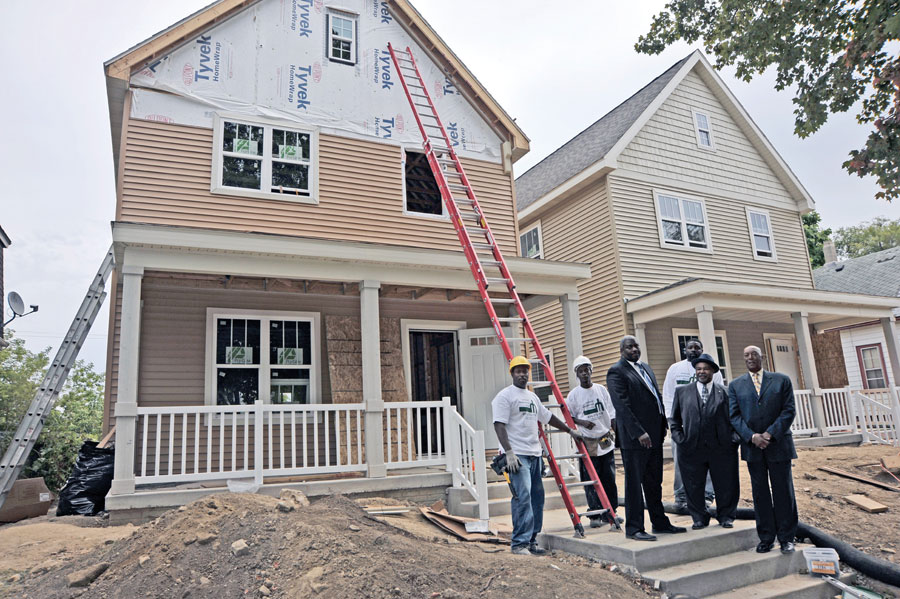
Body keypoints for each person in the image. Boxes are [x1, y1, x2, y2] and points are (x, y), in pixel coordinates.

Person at [493, 355, 584, 555]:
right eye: (518, 371)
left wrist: (570, 430)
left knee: (537, 498)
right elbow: (499, 424)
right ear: (512, 373)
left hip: (534, 455)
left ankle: (531, 541)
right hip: (517, 456)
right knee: (522, 497)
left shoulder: (532, 398)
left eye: (525, 371)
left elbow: (548, 417)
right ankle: (519, 544)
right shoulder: (505, 396)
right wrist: (508, 452)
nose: (522, 374)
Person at [606, 336, 686, 541]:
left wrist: (662, 424)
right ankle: (634, 528)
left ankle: (659, 522)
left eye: (636, 346)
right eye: (629, 347)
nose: (633, 349)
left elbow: (655, 397)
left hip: (654, 436)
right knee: (634, 485)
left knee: (654, 482)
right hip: (635, 440)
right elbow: (622, 406)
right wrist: (638, 432)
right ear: (621, 350)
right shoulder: (617, 371)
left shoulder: (646, 368)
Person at [728, 345, 798, 554]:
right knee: (760, 493)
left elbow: (789, 410)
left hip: (778, 445)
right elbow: (734, 416)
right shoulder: (736, 385)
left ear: (762, 357)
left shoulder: (781, 380)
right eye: (746, 355)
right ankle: (766, 538)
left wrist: (769, 434)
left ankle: (787, 538)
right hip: (753, 448)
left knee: (783, 491)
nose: (750, 358)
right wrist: (752, 437)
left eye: (754, 355)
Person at [668, 353, 739, 530]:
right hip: (692, 446)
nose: (702, 372)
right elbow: (674, 419)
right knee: (693, 484)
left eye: (706, 369)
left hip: (721, 447)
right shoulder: (682, 392)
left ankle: (726, 516)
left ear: (713, 371)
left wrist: (733, 440)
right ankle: (699, 517)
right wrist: (680, 439)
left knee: (726, 482)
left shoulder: (725, 392)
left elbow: (735, 418)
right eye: (699, 369)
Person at [662, 339, 725, 510]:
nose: (693, 350)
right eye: (690, 347)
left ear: (702, 350)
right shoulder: (675, 369)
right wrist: (672, 422)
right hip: (682, 425)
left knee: (708, 460)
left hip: (707, 425)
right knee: (681, 461)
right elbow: (667, 395)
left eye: (697, 347)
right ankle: (681, 496)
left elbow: (719, 397)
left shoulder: (713, 371)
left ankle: (706, 496)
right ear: (685, 350)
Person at [566, 356, 621, 529]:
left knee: (608, 477)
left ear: (591, 370)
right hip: (587, 439)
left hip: (604, 437)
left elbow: (611, 412)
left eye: (587, 370)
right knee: (591, 477)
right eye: (581, 371)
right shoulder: (574, 395)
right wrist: (582, 423)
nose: (584, 373)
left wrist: (616, 432)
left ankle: (611, 512)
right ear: (577, 374)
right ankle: (595, 513)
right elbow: (569, 416)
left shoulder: (601, 390)